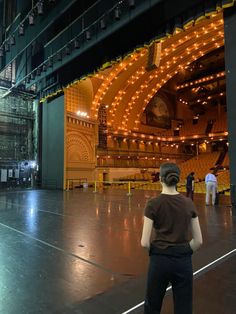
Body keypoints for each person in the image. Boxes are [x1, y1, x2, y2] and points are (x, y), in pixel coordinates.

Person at [141, 162, 202, 314]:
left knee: (152, 304)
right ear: (178, 180)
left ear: (160, 179)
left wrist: (155, 251)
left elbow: (144, 242)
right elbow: (198, 240)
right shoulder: (189, 203)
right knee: (184, 306)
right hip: (183, 261)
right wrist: (185, 251)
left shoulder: (152, 204)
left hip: (159, 261)